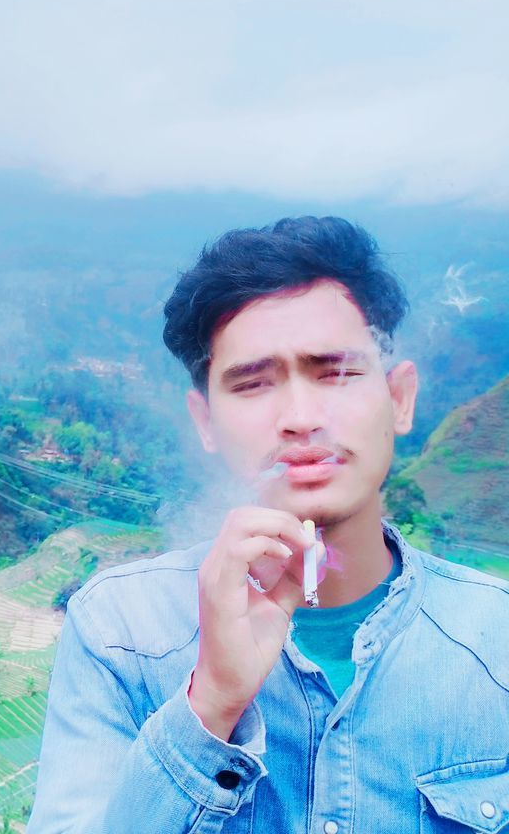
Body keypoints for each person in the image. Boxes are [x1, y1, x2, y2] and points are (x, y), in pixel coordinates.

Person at [27, 216, 509, 833]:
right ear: (205, 421)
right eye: (253, 383)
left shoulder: (495, 641)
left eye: (336, 372)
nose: (301, 417)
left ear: (401, 398)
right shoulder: (120, 634)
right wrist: (211, 704)